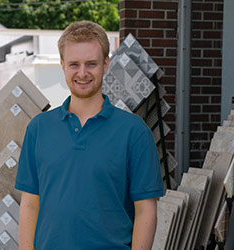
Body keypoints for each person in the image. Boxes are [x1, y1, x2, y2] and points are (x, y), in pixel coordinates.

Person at [14, 21, 164, 250]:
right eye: (74, 64)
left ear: (106, 64)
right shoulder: (38, 129)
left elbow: (146, 210)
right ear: (62, 65)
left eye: (91, 64)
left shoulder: (134, 132)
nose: (82, 73)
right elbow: (29, 204)